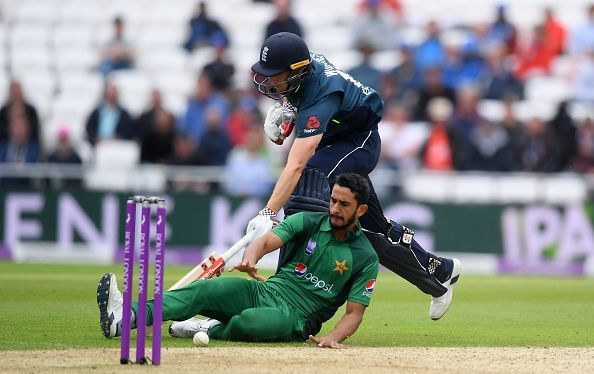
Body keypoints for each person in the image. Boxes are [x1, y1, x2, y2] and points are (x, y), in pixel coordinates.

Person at [249, 32, 461, 320]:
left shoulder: (323, 92)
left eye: (276, 75)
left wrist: (268, 212)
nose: (270, 81)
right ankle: (439, 273)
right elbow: (300, 97)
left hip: (358, 144)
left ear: (298, 70)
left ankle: (282, 296)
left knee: (307, 185)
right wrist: (289, 109)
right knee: (373, 231)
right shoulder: (305, 67)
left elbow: (297, 163)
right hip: (336, 142)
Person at [98, 173, 379, 347]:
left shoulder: (365, 257)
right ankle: (125, 317)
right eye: (333, 200)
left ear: (361, 209)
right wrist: (252, 258)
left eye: (344, 204)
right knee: (203, 290)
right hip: (265, 290)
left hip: (295, 318)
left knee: (250, 323)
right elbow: (268, 240)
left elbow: (354, 312)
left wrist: (333, 337)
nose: (334, 209)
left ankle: (208, 327)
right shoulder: (310, 220)